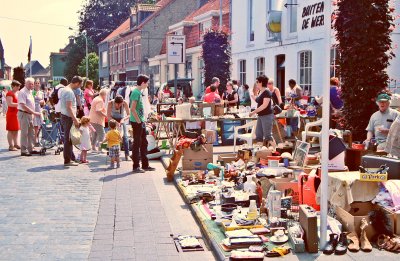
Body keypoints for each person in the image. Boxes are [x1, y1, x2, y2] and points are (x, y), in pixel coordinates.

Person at [130, 74, 155, 173]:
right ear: (143, 83)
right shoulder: (136, 92)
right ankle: (136, 166)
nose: (147, 85)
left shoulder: (139, 92)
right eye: (147, 83)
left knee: (144, 142)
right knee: (137, 143)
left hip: (140, 121)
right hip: (137, 122)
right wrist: (139, 121)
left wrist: (142, 120)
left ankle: (145, 165)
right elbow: (132, 108)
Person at [59, 76, 83, 166]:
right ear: (77, 83)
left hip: (66, 116)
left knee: (68, 138)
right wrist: (75, 119)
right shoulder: (69, 92)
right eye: (80, 85)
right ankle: (67, 160)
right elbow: (69, 107)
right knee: (68, 139)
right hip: (68, 117)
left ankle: (70, 158)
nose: (79, 87)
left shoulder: (65, 89)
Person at [17, 78, 41, 156]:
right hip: (24, 114)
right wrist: (33, 112)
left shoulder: (30, 91)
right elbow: (23, 105)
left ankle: (31, 148)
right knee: (24, 132)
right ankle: (23, 150)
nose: (32, 85)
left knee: (32, 132)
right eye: (30, 84)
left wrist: (32, 113)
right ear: (25, 83)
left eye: (32, 84)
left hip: (30, 114)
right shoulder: (22, 92)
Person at [250, 75, 274, 145]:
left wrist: (253, 112)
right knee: (259, 136)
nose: (256, 83)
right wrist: (253, 96)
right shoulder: (260, 91)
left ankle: (275, 151)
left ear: (261, 82)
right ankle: (259, 152)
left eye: (257, 82)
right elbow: (258, 101)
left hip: (266, 116)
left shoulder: (267, 92)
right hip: (261, 116)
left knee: (268, 136)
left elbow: (264, 106)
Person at [107, 95, 130, 159]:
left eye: (120, 105)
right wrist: (115, 122)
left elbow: (129, 114)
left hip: (121, 119)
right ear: (115, 102)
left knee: (125, 136)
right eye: (117, 105)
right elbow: (108, 116)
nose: (118, 106)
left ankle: (127, 154)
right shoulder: (110, 103)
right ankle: (110, 153)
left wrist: (123, 119)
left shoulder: (125, 103)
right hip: (112, 119)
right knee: (110, 136)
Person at [6, 80, 21, 151]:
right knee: (11, 130)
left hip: (16, 114)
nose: (18, 87)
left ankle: (16, 143)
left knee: (16, 130)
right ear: (13, 86)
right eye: (17, 86)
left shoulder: (17, 93)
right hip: (11, 114)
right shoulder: (9, 93)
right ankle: (11, 146)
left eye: (19, 86)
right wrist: (20, 104)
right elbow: (10, 104)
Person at [33, 80, 45, 145]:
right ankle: (35, 140)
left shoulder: (41, 92)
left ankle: (40, 139)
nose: (37, 84)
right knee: (35, 126)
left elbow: (43, 101)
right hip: (34, 109)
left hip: (40, 109)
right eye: (36, 83)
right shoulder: (33, 92)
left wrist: (43, 103)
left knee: (41, 125)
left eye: (38, 83)